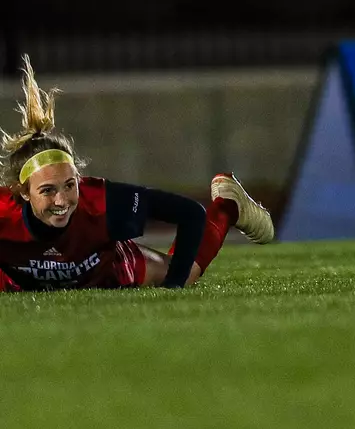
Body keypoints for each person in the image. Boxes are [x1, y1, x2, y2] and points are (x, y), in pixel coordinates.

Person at [0, 57, 274, 292]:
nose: (62, 200)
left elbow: (190, 213)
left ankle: (228, 207)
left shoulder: (101, 201)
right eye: (48, 190)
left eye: (70, 185)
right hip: (18, 281)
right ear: (23, 192)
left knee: (185, 272)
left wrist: (173, 288)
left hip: (107, 269)